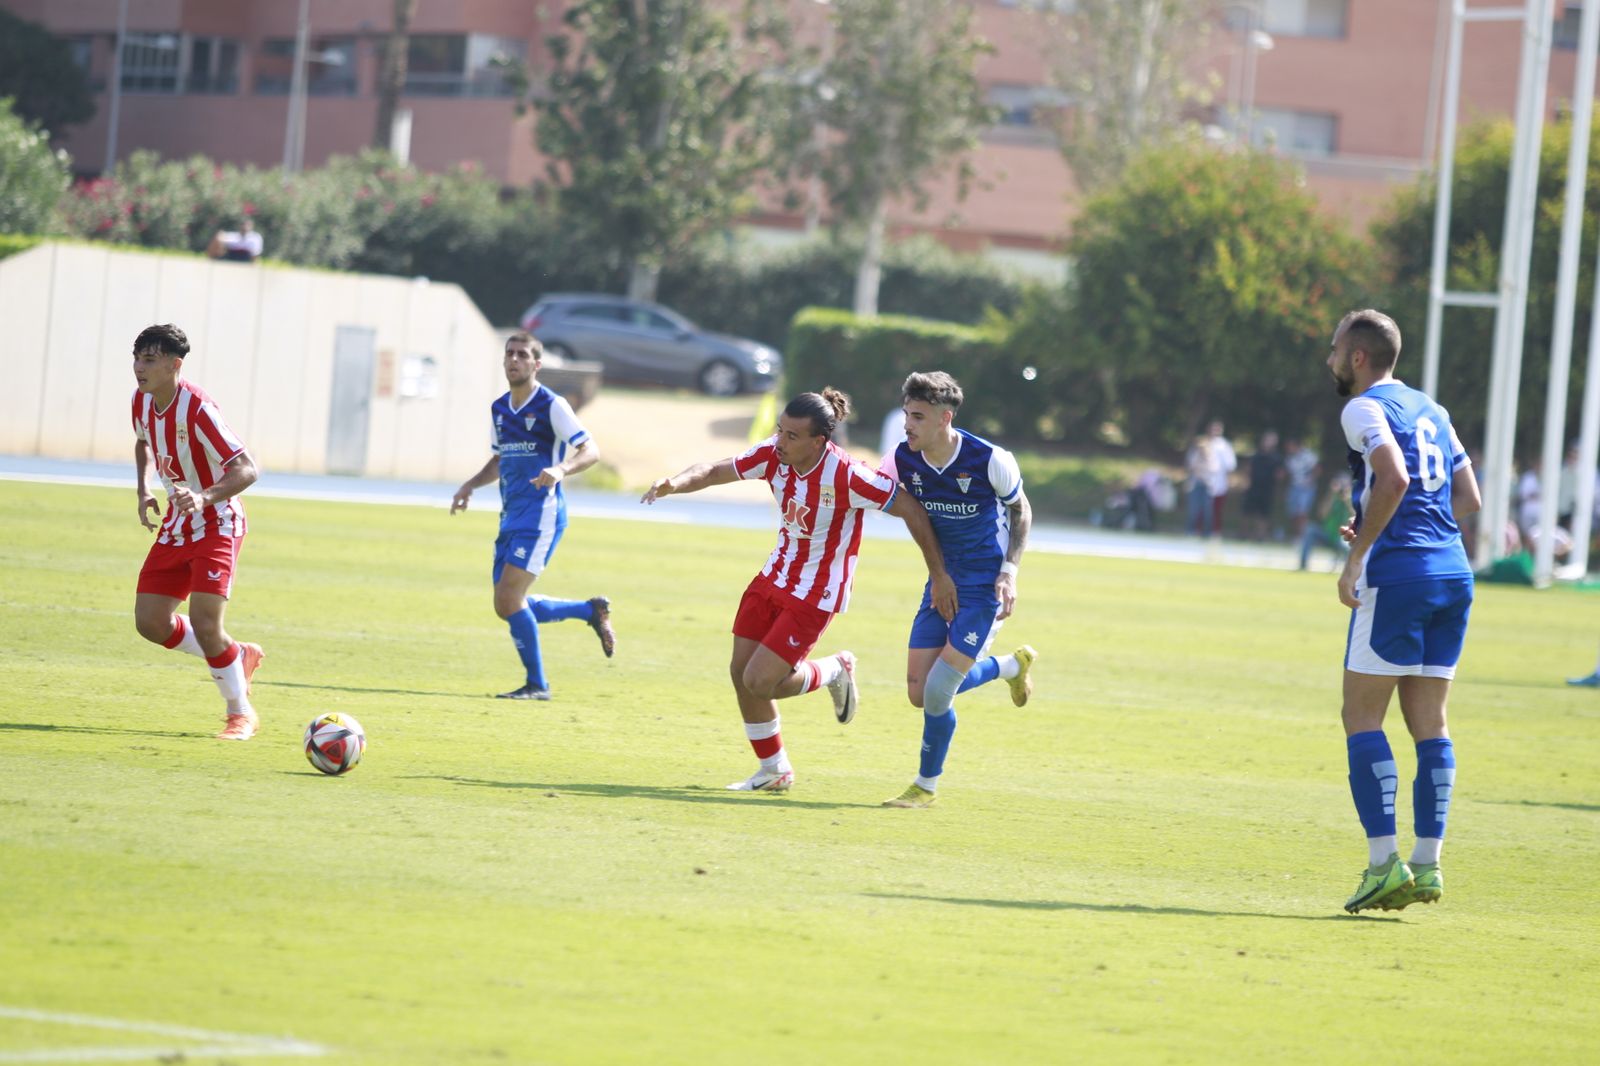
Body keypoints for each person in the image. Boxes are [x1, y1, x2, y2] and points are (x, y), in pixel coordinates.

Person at [640, 387, 956, 793]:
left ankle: (833, 670)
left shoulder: (848, 475)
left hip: (815, 593)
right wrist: (675, 482)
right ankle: (774, 770)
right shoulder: (773, 455)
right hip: (773, 577)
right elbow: (715, 470)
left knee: (760, 681)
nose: (780, 441)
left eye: (792, 436)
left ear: (818, 442)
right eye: (780, 430)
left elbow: (909, 507)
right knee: (740, 673)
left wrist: (939, 573)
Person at [1326, 309, 1480, 914]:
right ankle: (1428, 863)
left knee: (1361, 716)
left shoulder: (1363, 408)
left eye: (1335, 349)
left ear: (1357, 357)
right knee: (1431, 724)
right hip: (1452, 574)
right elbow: (1467, 497)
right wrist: (1383, 522)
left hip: (1398, 578)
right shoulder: (1432, 409)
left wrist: (1358, 555)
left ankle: (1383, 864)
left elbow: (1392, 480)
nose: (1330, 359)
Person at [877, 372, 1037, 808]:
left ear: (944, 418)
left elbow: (1021, 510)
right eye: (907, 414)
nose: (907, 424)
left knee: (937, 691)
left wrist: (1009, 572)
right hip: (940, 579)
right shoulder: (903, 459)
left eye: (918, 417)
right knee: (918, 693)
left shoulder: (989, 459)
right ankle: (1009, 667)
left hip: (984, 586)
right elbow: (874, 490)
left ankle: (925, 786)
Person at [451, 332, 616, 700]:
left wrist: (561, 469)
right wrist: (470, 485)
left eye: (523, 355)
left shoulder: (552, 405)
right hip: (511, 515)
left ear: (536, 364)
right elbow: (500, 459)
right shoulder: (499, 409)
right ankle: (588, 611)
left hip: (542, 514)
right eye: (510, 353)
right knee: (506, 604)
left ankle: (538, 685)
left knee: (510, 598)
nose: (514, 360)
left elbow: (591, 450)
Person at [130, 323, 265, 740]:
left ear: (175, 365)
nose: (139, 367)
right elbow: (143, 442)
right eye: (136, 358)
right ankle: (234, 654)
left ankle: (240, 713)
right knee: (150, 622)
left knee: (207, 623)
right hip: (177, 523)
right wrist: (144, 489)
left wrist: (204, 497)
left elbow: (247, 469)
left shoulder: (198, 409)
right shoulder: (141, 399)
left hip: (218, 521)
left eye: (149, 360)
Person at [1297, 472, 1352, 571]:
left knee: (1349, 548)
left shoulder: (1352, 500)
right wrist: (1332, 494)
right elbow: (1323, 515)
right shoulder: (1332, 498)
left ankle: (1350, 569)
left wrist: (1347, 499)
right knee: (1310, 530)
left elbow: (1355, 516)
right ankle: (1303, 565)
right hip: (1327, 534)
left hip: (1343, 537)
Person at [1241, 429, 1283, 541]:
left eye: (1272, 440)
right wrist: (1246, 481)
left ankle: (1260, 535)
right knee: (1247, 511)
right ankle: (1244, 534)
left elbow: (1280, 474)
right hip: (1253, 487)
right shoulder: (1255, 455)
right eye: (1267, 440)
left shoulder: (1277, 457)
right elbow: (1248, 469)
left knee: (1263, 513)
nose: (1269, 442)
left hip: (1267, 489)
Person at [1203, 419, 1237, 536]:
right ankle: (1199, 530)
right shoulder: (1203, 442)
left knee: (1216, 509)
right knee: (1201, 508)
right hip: (1203, 480)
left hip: (1218, 481)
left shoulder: (1224, 446)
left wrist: (1228, 479)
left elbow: (1230, 465)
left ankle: (1215, 532)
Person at [1283, 438, 1321, 542]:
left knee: (1302, 512)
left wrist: (1311, 480)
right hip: (1294, 486)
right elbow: (1289, 473)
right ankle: (1296, 534)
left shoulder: (1308, 455)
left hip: (1306, 488)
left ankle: (1303, 537)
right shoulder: (1289, 458)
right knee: (1293, 513)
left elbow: (1317, 468)